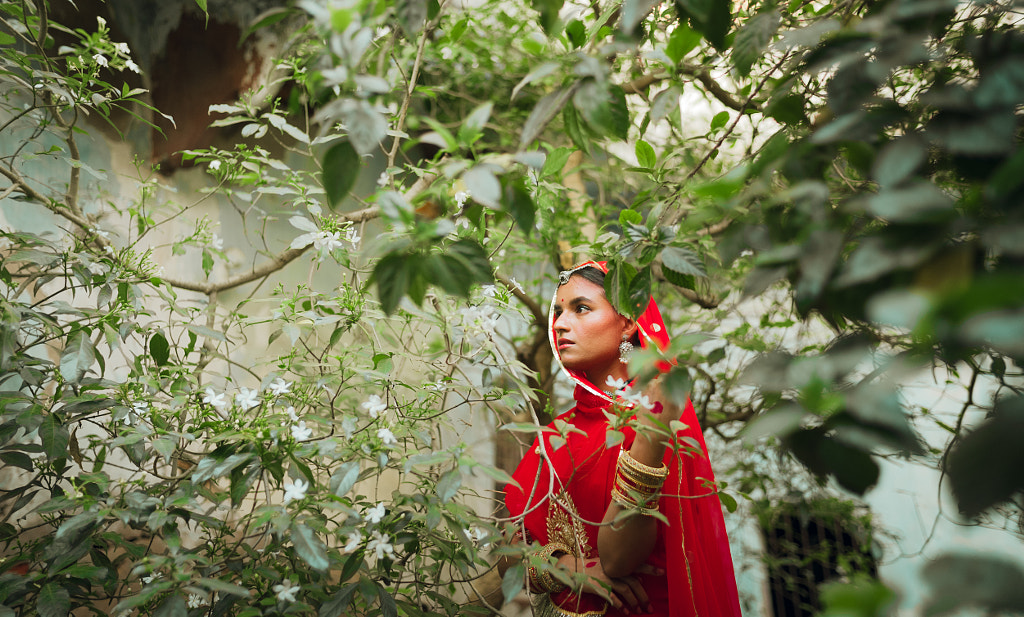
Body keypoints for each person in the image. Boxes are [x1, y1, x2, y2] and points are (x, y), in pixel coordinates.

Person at [503, 261, 741, 617]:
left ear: (628, 322)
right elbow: (508, 560)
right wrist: (570, 568)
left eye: (581, 308)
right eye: (558, 312)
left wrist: (651, 434)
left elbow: (616, 560)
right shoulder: (555, 435)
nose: (560, 324)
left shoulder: (657, 422)